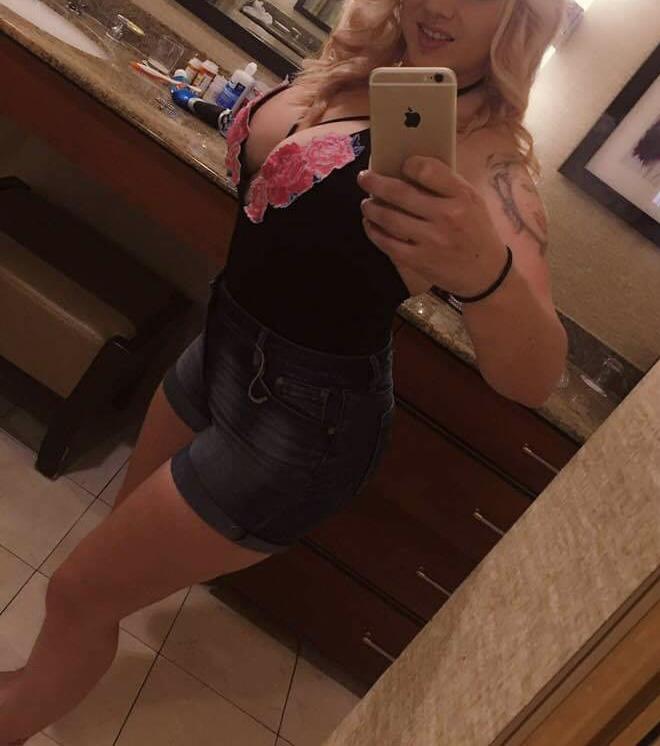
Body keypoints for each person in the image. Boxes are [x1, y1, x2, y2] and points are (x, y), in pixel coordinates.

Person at [0, 0, 569, 741]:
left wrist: (485, 272)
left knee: (79, 592)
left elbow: (536, 376)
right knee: (105, 572)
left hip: (302, 426)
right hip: (220, 351)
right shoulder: (365, 67)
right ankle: (39, 683)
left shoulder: (487, 161)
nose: (438, 3)